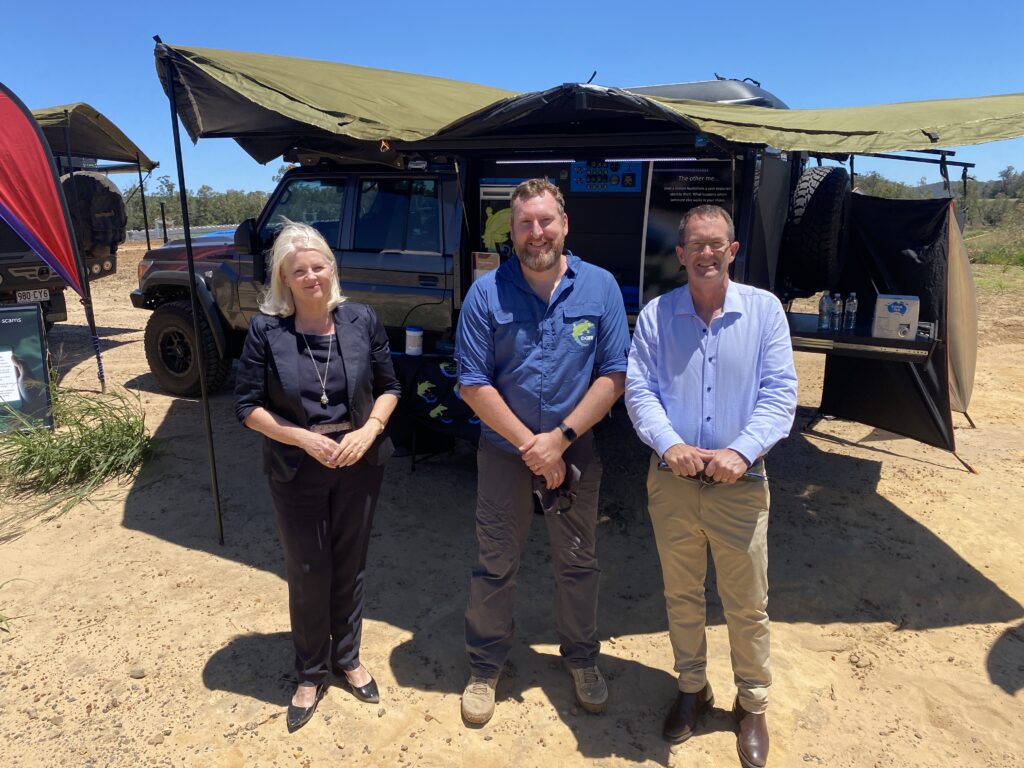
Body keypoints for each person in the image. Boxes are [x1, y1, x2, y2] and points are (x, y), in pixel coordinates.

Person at [624, 205, 797, 767]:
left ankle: (752, 704)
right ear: (680, 254)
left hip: (741, 484)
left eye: (715, 244)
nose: (705, 253)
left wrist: (740, 451)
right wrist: (667, 444)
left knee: (747, 603)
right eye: (694, 244)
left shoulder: (765, 313)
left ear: (732, 250)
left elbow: (779, 396)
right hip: (672, 481)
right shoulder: (656, 315)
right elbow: (639, 389)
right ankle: (692, 688)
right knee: (682, 596)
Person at [455, 178, 630, 725]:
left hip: (574, 451)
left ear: (565, 223)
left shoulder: (600, 288)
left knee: (578, 562)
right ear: (513, 229)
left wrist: (560, 440)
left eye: (545, 221)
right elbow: (472, 382)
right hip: (504, 453)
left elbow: (614, 374)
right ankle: (485, 666)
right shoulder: (487, 292)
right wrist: (532, 446)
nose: (536, 233)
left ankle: (580, 659)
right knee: (495, 562)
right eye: (525, 223)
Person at [234, 222, 400, 732]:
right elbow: (246, 407)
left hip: (357, 464)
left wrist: (369, 430)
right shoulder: (267, 330)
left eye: (319, 265)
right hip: (296, 467)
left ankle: (347, 659)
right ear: (284, 279)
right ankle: (310, 673)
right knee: (309, 571)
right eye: (298, 270)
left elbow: (390, 387)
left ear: (333, 268)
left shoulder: (360, 320)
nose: (312, 276)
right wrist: (304, 438)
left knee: (350, 565)